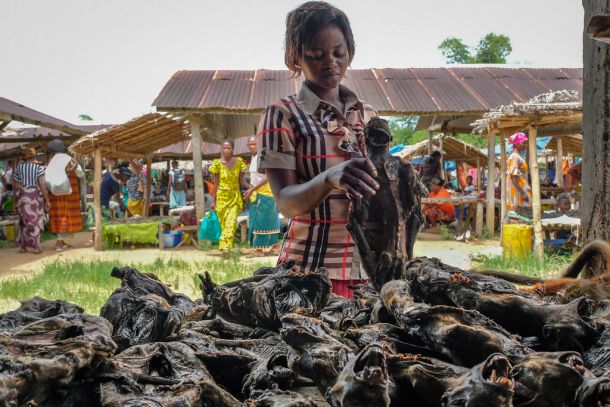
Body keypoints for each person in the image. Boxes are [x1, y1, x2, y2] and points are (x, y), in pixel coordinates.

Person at [257, 2, 380, 298]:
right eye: (316, 54)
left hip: (370, 270)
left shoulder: (369, 117)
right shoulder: (282, 115)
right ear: (295, 56)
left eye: (339, 52)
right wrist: (329, 178)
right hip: (310, 272)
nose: (330, 62)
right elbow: (286, 203)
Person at [209, 140, 250, 252]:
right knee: (224, 224)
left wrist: (252, 188)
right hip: (221, 197)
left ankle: (225, 246)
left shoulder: (239, 162)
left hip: (234, 197)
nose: (226, 150)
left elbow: (241, 180)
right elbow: (216, 184)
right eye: (224, 148)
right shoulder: (217, 164)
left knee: (231, 222)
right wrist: (213, 201)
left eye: (229, 148)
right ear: (221, 149)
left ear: (233, 149)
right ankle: (228, 247)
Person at [243, 136, 280, 254]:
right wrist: (251, 189)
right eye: (250, 144)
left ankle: (270, 247)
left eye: (254, 144)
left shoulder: (263, 156)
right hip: (256, 192)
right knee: (256, 219)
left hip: (267, 193)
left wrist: (253, 189)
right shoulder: (253, 157)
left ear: (259, 144)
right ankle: (263, 247)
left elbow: (268, 176)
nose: (252, 146)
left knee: (265, 220)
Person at [46, 140, 83, 251]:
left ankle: (61, 241)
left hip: (55, 195)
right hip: (70, 194)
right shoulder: (70, 160)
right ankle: (59, 243)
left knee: (59, 216)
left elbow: (46, 179)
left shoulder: (51, 162)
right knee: (67, 216)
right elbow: (80, 174)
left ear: (52, 151)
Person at [12, 146, 49, 253]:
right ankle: (36, 247)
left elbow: (15, 186)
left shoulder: (18, 168)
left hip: (22, 195)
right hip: (35, 196)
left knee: (23, 221)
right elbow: (41, 184)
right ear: (34, 155)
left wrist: (15, 201)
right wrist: (47, 200)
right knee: (35, 221)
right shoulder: (38, 168)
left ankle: (23, 246)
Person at [506, 132, 532, 211]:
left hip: (520, 189)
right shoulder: (515, 157)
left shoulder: (518, 156)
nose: (525, 145)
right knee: (519, 216)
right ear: (517, 144)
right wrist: (523, 193)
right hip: (517, 191)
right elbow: (514, 176)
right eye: (524, 143)